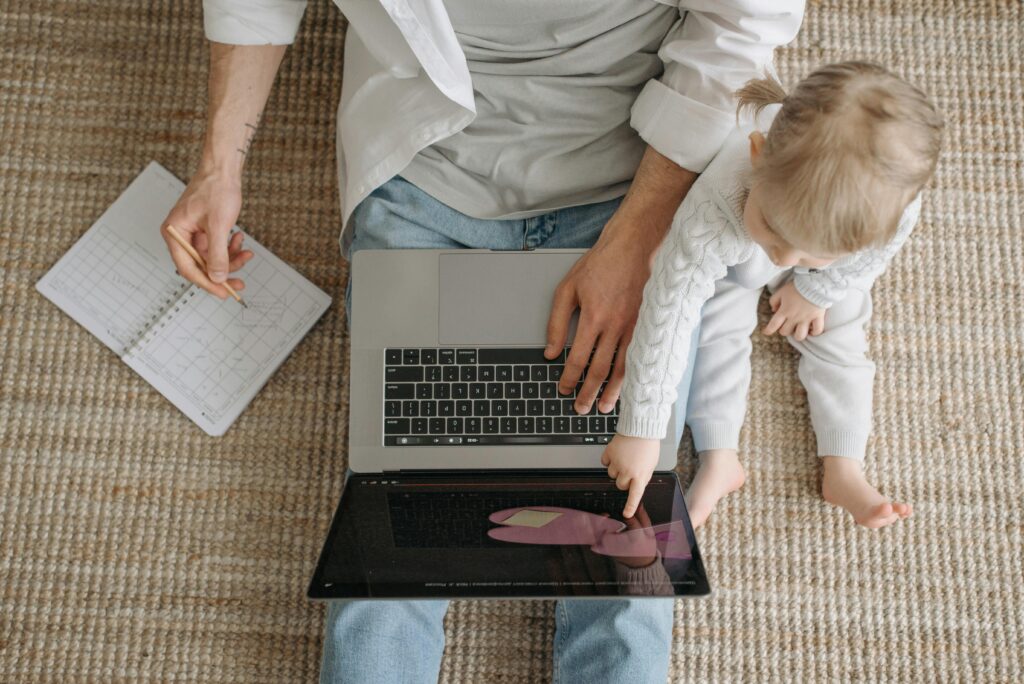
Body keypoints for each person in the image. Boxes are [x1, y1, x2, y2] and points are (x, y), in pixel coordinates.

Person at [159, 1, 805, 681]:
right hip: (423, 171)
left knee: (627, 553)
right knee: (393, 522)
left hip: (634, 174)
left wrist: (642, 235)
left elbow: (746, 21)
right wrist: (217, 166)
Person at [601, 61, 943, 530]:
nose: (782, 259)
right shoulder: (719, 201)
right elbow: (669, 307)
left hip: (817, 279)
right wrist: (641, 431)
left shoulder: (891, 207)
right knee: (712, 328)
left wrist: (821, 286)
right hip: (730, 255)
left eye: (810, 251)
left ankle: (844, 466)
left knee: (841, 329)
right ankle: (720, 457)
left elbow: (869, 260)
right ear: (757, 154)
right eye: (775, 231)